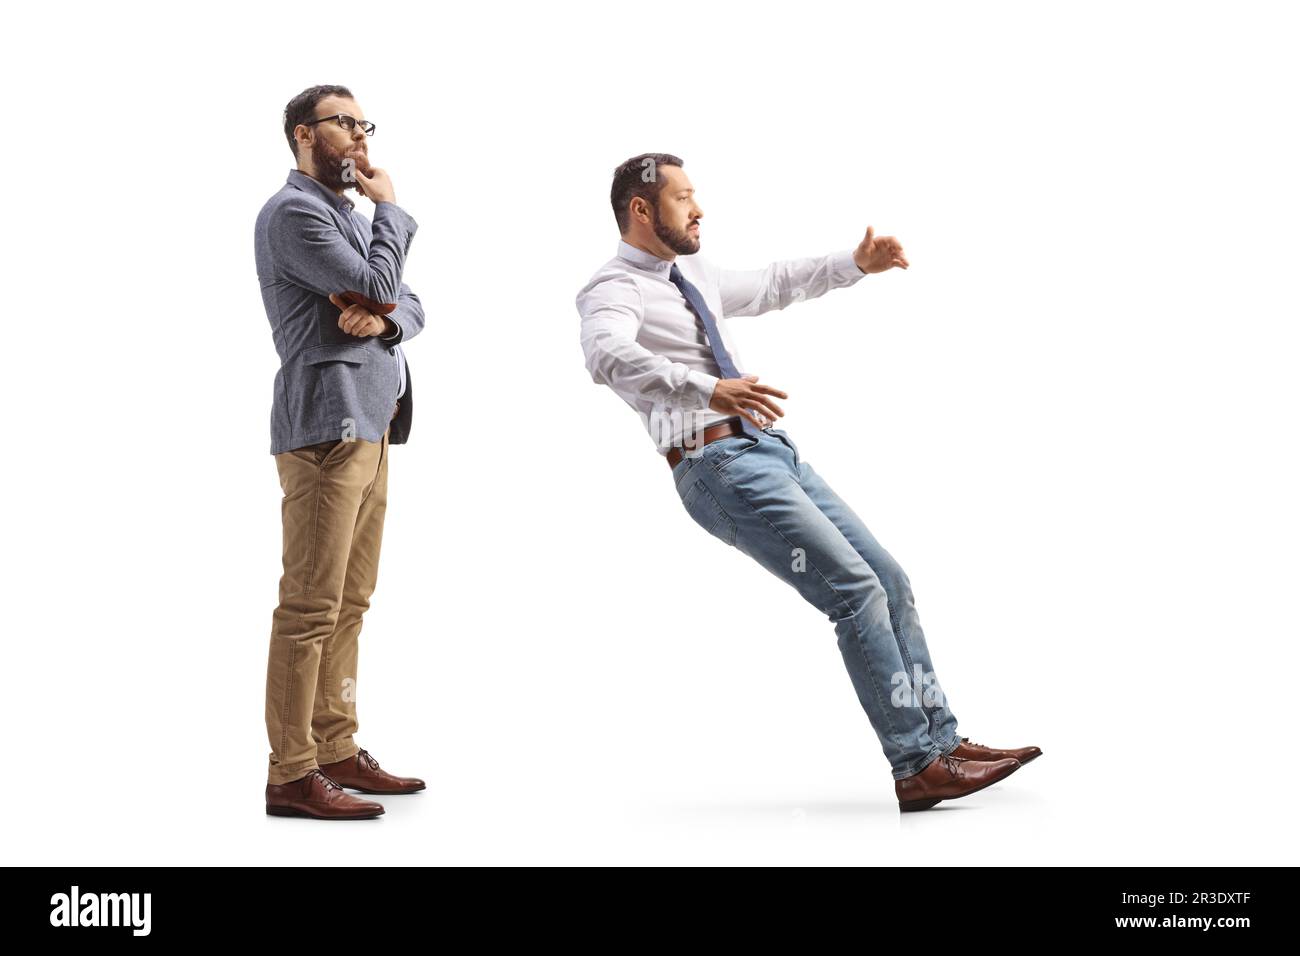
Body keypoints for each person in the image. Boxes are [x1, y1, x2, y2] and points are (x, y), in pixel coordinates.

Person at [576, 153, 1042, 811]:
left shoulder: (692, 274)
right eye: (684, 198)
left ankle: (943, 741)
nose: (700, 208)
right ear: (642, 211)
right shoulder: (610, 290)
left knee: (891, 581)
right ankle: (916, 766)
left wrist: (853, 265)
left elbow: (770, 284)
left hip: (771, 451)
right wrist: (712, 388)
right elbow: (606, 355)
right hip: (718, 468)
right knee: (853, 592)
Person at [254, 85, 427, 819]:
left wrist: (383, 323)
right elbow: (380, 283)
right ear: (304, 134)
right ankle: (291, 773)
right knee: (310, 606)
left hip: (371, 426)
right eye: (344, 122)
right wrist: (392, 211)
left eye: (363, 123)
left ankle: (333, 745)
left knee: (351, 602)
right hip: (327, 431)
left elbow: (409, 305)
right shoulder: (294, 214)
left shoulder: (343, 220)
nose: (359, 134)